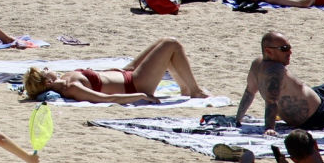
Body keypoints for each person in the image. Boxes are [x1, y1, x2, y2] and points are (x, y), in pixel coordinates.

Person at [23, 38, 209, 103]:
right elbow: (106, 98)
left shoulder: (65, 78)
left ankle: (186, 88)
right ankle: (195, 91)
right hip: (135, 84)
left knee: (163, 42)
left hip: (127, 72)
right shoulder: (71, 87)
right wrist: (141, 96)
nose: (48, 68)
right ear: (48, 82)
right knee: (171, 44)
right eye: (45, 70)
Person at [235, 31, 324, 132]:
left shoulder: (257, 64)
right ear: (268, 51)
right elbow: (270, 102)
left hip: (315, 94)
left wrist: (238, 119)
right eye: (284, 49)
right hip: (319, 113)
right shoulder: (274, 70)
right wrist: (269, 129)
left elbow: (249, 92)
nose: (290, 52)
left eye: (289, 48)